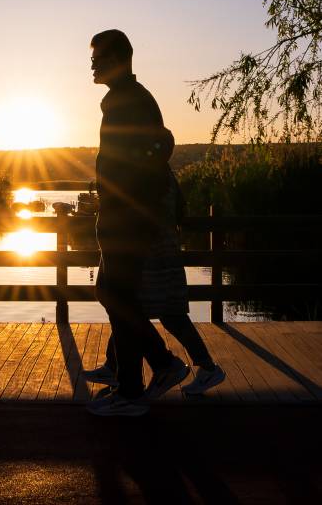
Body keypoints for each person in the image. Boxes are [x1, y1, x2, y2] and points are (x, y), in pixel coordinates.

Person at [84, 29, 192, 417]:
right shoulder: (124, 99)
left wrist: (124, 198)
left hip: (128, 218)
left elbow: (156, 148)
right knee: (115, 295)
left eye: (97, 57)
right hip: (123, 215)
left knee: (117, 296)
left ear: (119, 58)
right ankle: (136, 378)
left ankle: (144, 381)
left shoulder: (129, 101)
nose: (92, 64)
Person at [83, 165, 226, 397]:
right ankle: (113, 365)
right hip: (163, 248)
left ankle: (206, 367)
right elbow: (177, 210)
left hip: (152, 252)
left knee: (143, 310)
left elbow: (142, 212)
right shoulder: (166, 173)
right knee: (132, 307)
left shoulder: (150, 173)